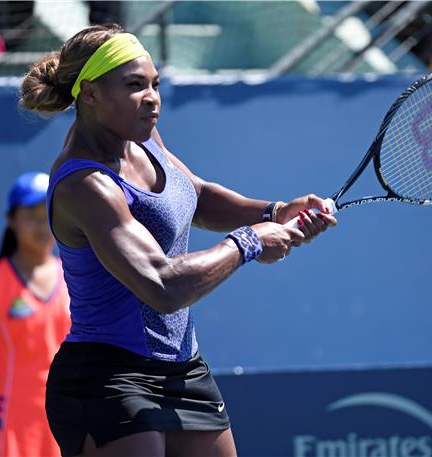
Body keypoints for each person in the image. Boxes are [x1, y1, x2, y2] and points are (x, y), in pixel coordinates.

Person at [19, 23, 337, 457]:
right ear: (89, 93)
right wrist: (248, 242)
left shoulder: (141, 137)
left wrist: (273, 212)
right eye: (134, 86)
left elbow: (196, 197)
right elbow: (162, 286)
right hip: (109, 380)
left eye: (155, 84)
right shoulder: (86, 183)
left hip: (185, 372)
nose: (152, 98)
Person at [0, 172, 71, 457]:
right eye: (30, 214)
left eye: (47, 213)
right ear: (12, 221)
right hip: (9, 424)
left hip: (67, 422)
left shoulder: (76, 278)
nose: (42, 224)